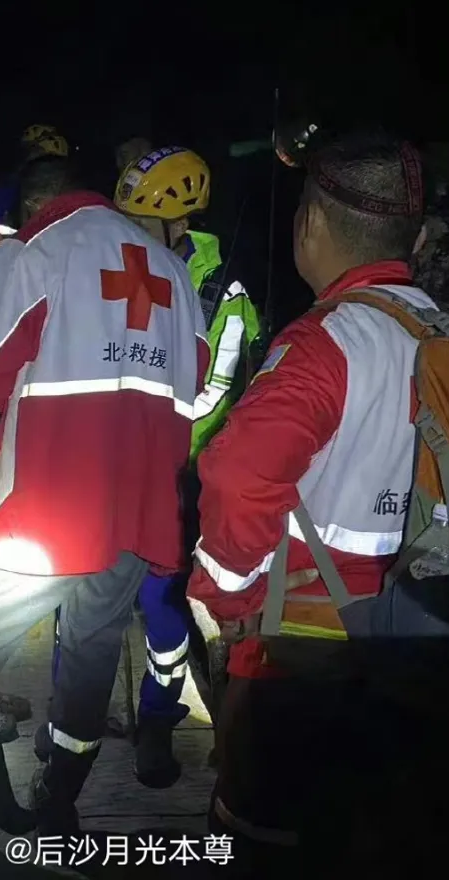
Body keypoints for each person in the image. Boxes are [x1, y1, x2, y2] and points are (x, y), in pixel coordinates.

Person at [186, 133, 445, 872]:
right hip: (426, 640)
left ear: (311, 226)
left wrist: (222, 590)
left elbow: (238, 472)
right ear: (417, 238)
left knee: (266, 837)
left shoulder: (328, 341)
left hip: (307, 650)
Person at [0, 154, 209, 835]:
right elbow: (197, 377)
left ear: (40, 203)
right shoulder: (175, 275)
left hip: (40, 514)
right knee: (92, 657)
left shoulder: (35, 254)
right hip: (135, 512)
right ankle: (59, 794)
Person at [107, 144, 262, 786]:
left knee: (162, 607)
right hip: (110, 464)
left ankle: (157, 717)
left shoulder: (221, 292)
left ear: (180, 221)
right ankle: (73, 718)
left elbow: (212, 394)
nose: (130, 237)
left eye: (144, 225)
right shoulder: (114, 264)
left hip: (178, 474)